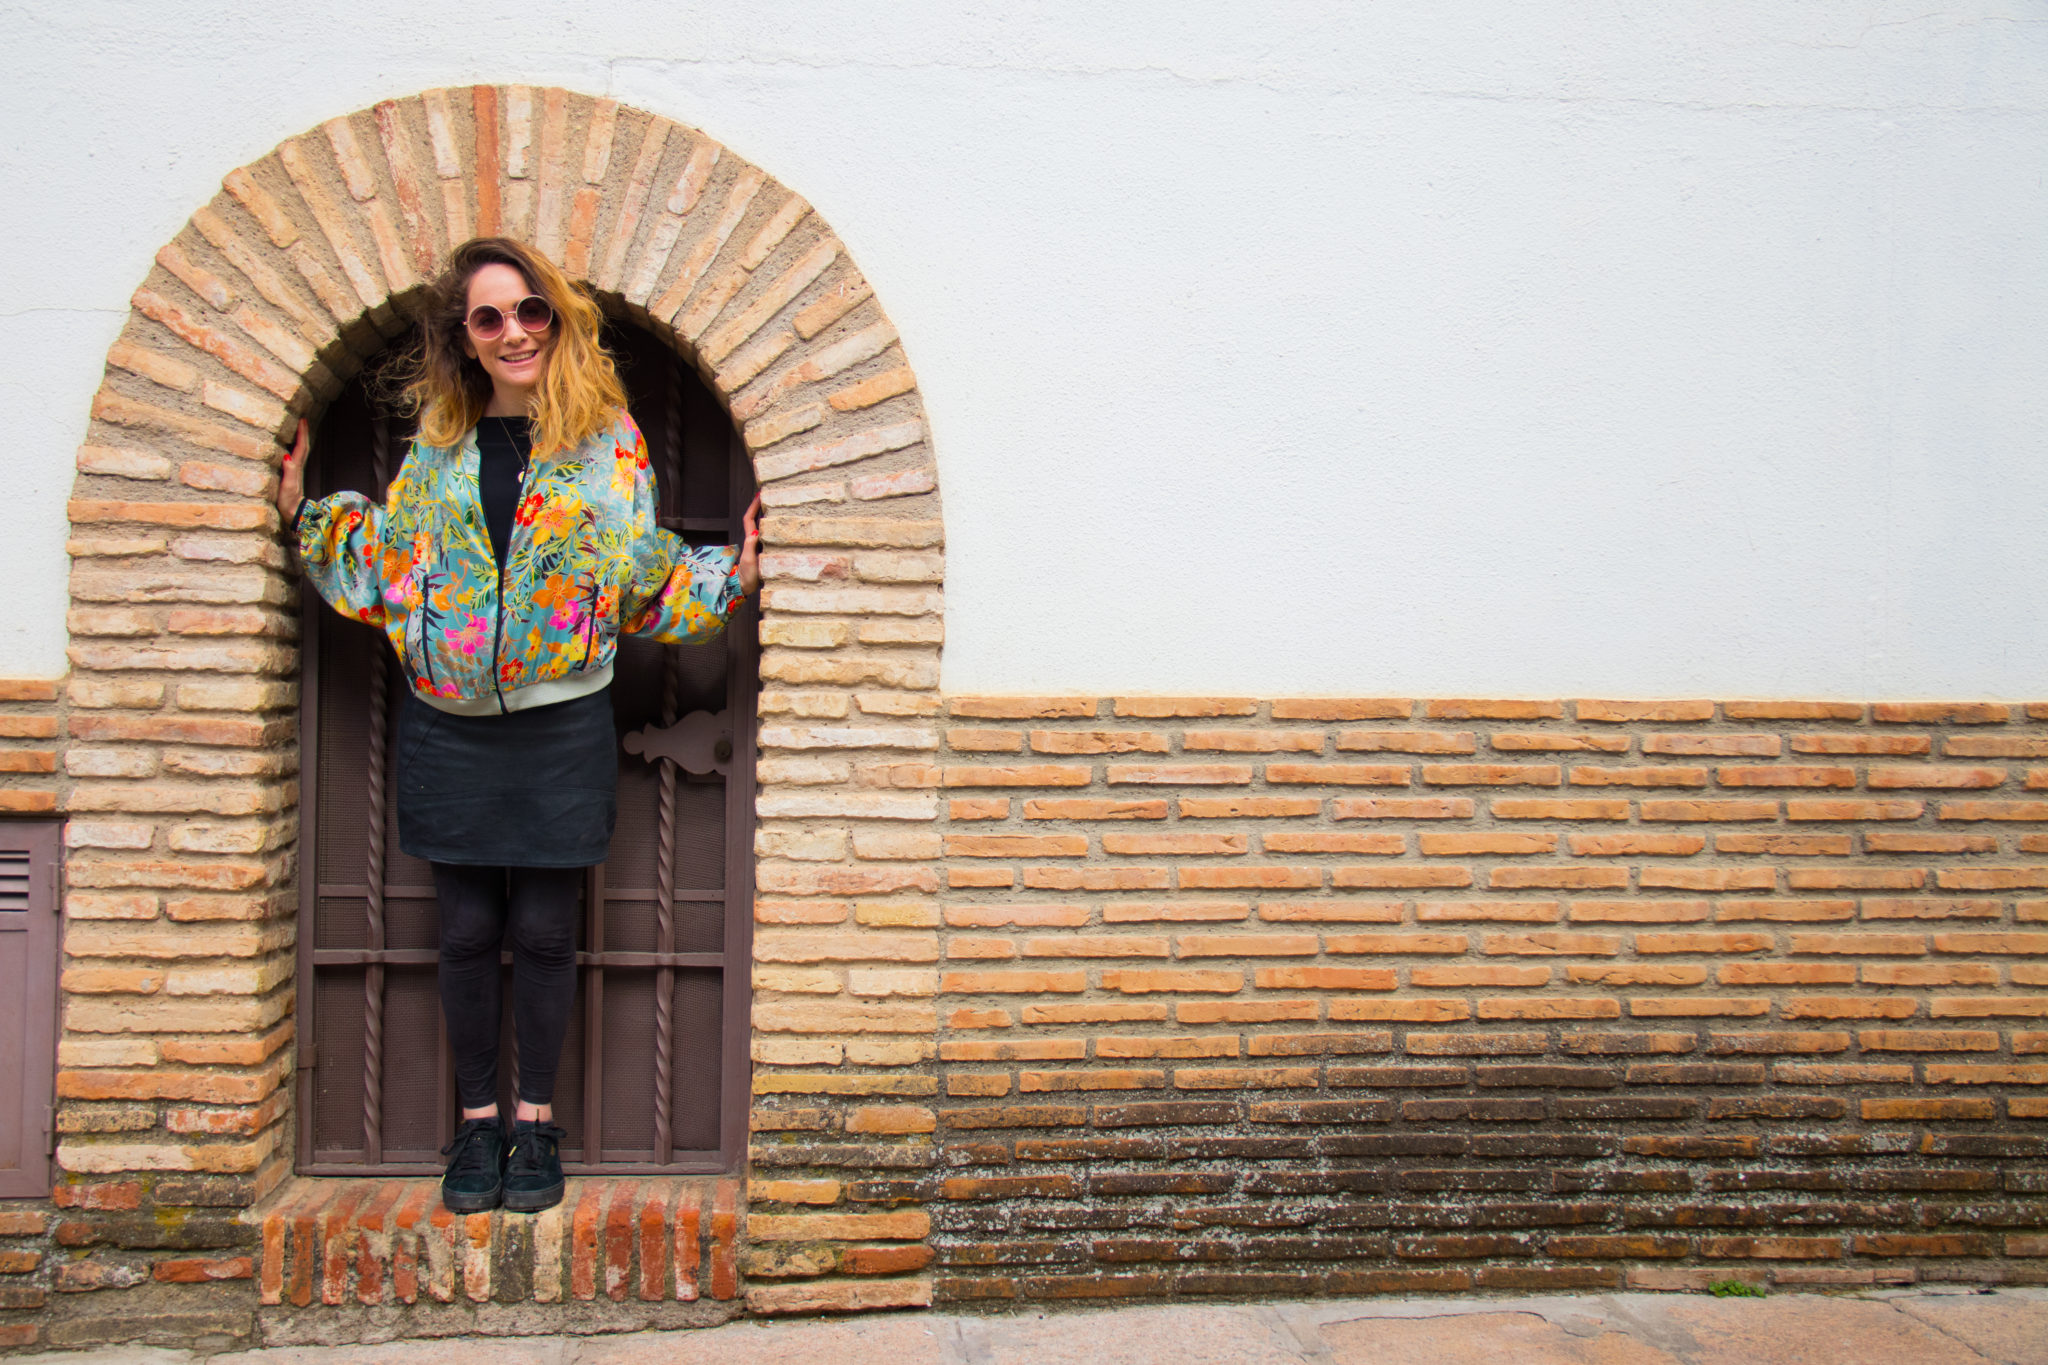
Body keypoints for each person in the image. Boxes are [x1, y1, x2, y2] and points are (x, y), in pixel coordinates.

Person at [276, 237, 761, 1215]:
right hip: (447, 723)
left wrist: (730, 577)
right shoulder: (439, 440)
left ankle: (534, 1122)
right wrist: (305, 516)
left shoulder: (608, 441)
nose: (513, 332)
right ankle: (476, 1122)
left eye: (530, 311)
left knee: (543, 930)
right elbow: (398, 562)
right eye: (489, 317)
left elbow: (632, 572)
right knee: (463, 931)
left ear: (558, 320)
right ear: (465, 336)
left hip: (560, 722)